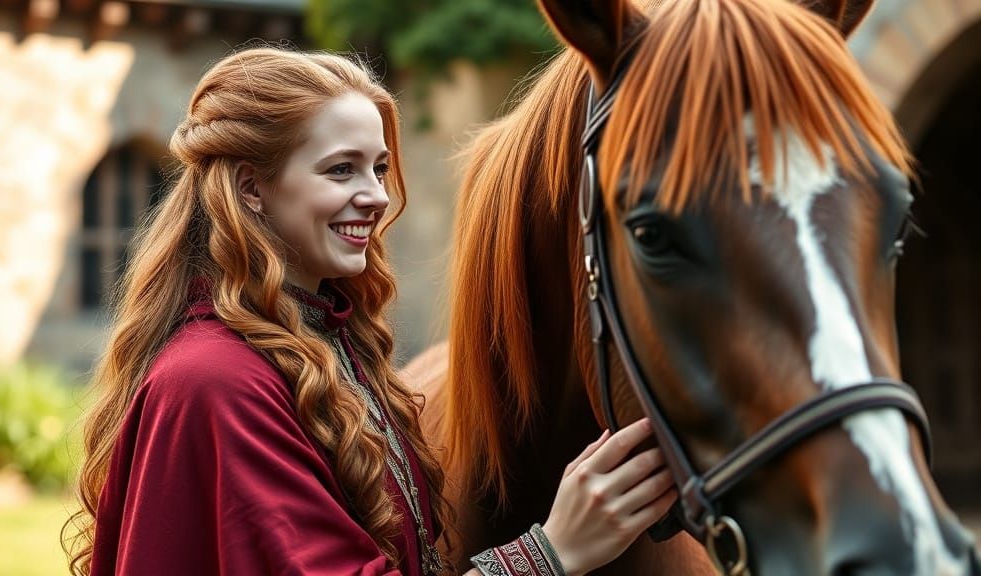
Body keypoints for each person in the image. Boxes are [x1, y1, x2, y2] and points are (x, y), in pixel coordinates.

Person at [62, 47, 678, 576]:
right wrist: (553, 551)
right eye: (341, 170)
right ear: (251, 187)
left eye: (379, 168)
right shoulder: (216, 382)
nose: (377, 196)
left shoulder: (324, 339)